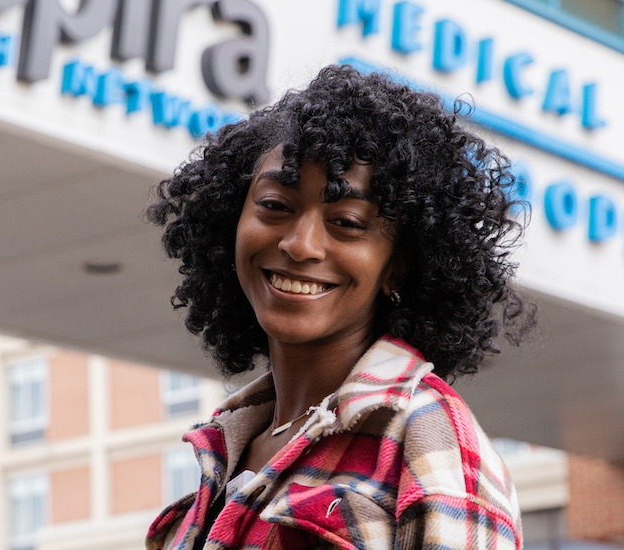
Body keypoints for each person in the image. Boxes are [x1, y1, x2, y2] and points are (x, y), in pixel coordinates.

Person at [144, 64, 536, 549]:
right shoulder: (226, 449)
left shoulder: (430, 436)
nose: (300, 244)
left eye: (347, 221)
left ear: (399, 265)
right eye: (274, 205)